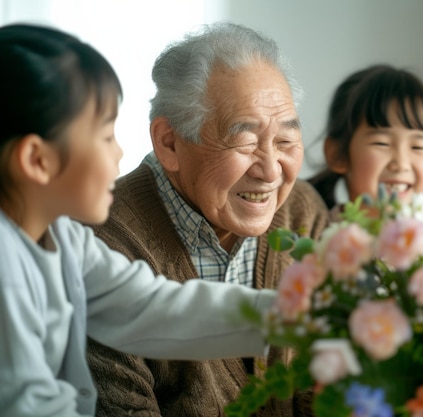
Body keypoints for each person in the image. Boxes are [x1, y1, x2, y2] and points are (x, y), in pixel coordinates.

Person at [0, 23, 278, 417]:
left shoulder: (64, 238)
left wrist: (295, 316)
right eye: (104, 135)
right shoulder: (5, 269)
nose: (119, 153)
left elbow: (152, 308)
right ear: (37, 160)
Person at [85, 22, 329, 417]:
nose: (271, 171)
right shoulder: (103, 249)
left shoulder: (302, 212)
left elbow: (330, 382)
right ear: (169, 143)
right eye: (245, 141)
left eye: (285, 141)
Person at [308, 64, 423, 218]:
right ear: (338, 155)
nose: (401, 164)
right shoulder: (316, 235)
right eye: (382, 143)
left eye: (417, 147)